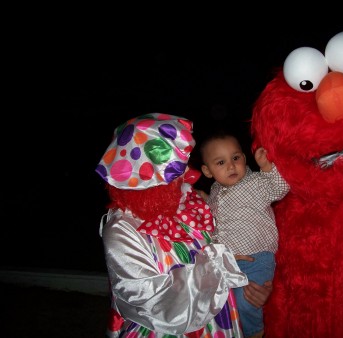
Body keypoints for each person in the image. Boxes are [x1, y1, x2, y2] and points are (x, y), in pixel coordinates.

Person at [95, 113, 272, 338]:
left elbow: (239, 235)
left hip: (222, 323)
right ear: (149, 172)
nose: (187, 172)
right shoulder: (121, 229)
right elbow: (152, 302)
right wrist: (220, 267)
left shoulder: (191, 200)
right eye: (177, 165)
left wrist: (257, 287)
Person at [198, 130, 290, 338]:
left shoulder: (255, 183)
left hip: (256, 258)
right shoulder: (215, 192)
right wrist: (203, 199)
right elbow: (212, 218)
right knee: (220, 306)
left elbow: (280, 187)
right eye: (220, 163)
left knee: (245, 301)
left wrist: (267, 167)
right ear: (208, 170)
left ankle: (254, 333)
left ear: (244, 158)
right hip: (226, 263)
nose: (231, 166)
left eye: (235, 158)